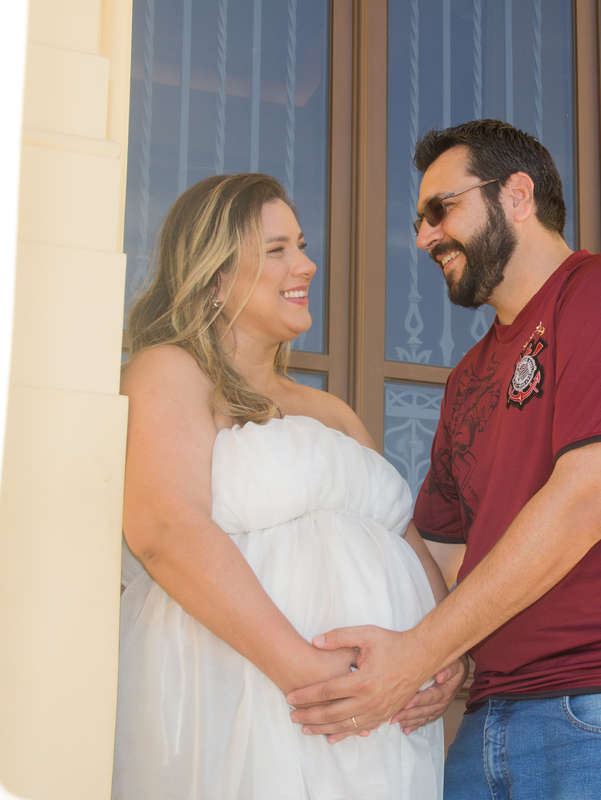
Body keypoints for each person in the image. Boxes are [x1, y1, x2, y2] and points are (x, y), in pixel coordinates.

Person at [289, 120, 601, 799]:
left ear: (517, 195)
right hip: (489, 721)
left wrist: (419, 653)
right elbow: (439, 556)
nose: (425, 237)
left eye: (441, 209)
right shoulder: (468, 376)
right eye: (420, 221)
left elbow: (587, 499)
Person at [113, 173, 459, 799]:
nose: (306, 265)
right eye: (277, 250)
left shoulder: (331, 412)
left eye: (300, 245)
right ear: (214, 276)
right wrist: (308, 673)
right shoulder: (168, 373)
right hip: (252, 696)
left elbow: (404, 539)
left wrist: (439, 654)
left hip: (375, 717)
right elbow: (165, 528)